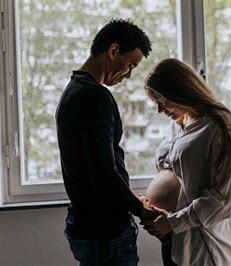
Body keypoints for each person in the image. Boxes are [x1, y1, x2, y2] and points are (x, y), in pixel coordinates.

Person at [55, 19, 157, 266]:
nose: (129, 74)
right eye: (130, 64)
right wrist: (140, 209)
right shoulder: (95, 97)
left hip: (87, 225)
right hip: (105, 233)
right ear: (113, 51)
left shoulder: (72, 92)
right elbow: (104, 172)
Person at [141, 58, 231, 265]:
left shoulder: (220, 124)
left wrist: (173, 222)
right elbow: (175, 177)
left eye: (162, 101)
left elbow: (224, 199)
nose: (160, 110)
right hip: (171, 236)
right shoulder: (176, 124)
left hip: (203, 240)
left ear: (180, 91)